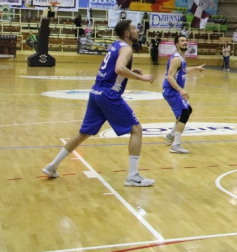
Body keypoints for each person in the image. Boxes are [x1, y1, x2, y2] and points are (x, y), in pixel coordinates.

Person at [42, 20, 156, 186]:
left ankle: (52, 166)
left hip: (96, 92)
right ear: (127, 33)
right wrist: (141, 77)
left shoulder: (116, 45)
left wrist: (131, 71)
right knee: (137, 130)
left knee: (84, 133)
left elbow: (113, 68)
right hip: (109, 95)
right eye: (134, 28)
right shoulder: (127, 48)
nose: (137, 31)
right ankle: (133, 176)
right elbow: (118, 69)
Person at [162, 35, 205, 154]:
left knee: (187, 110)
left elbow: (183, 70)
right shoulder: (176, 59)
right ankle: (175, 144)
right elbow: (169, 77)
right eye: (182, 41)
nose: (185, 42)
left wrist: (196, 68)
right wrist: (181, 90)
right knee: (184, 112)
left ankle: (171, 136)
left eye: (186, 40)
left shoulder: (181, 59)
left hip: (173, 91)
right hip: (171, 91)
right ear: (176, 44)